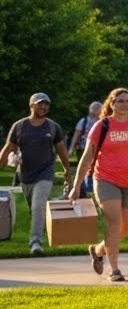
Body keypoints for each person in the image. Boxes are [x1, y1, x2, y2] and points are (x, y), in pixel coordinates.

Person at [67, 88, 128, 282]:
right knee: (114, 223)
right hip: (106, 180)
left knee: (126, 227)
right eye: (120, 101)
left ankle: (98, 250)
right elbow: (87, 157)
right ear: (112, 103)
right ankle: (114, 269)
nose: (124, 104)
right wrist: (76, 185)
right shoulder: (102, 126)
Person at [1, 93, 70, 255]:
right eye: (40, 104)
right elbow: (7, 149)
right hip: (25, 175)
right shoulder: (19, 126)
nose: (43, 107)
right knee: (35, 209)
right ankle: (42, 231)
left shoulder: (53, 127)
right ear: (31, 106)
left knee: (38, 205)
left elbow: (61, 150)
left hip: (45, 173)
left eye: (46, 104)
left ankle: (35, 243)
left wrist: (67, 170)